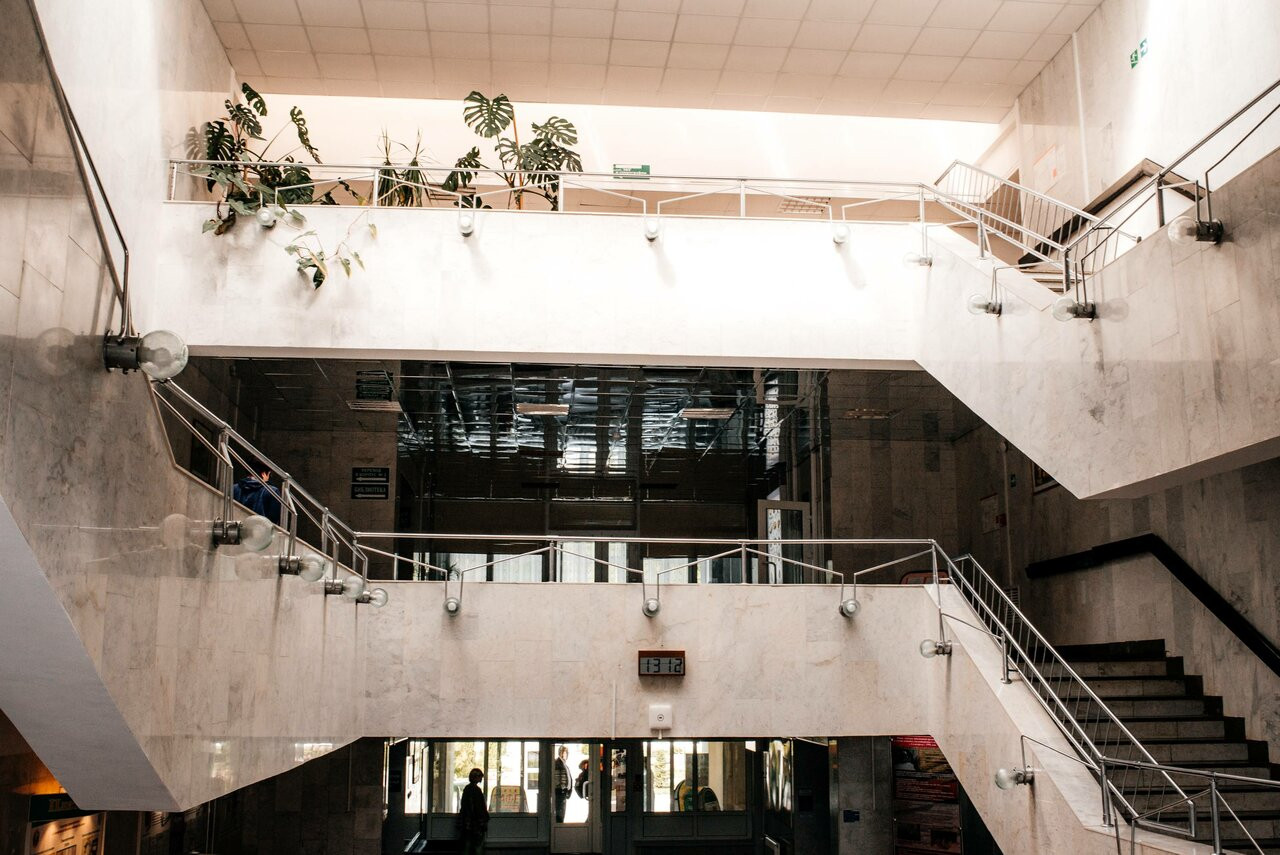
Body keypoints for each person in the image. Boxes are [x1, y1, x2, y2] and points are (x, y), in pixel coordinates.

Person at [458, 767, 488, 854]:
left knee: (467, 844)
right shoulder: (476, 790)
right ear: (476, 777)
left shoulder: (467, 789)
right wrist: (482, 820)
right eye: (480, 777)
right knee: (478, 845)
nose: (481, 778)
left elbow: (464, 806)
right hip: (475, 823)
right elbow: (478, 808)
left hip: (467, 823)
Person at [553, 746, 571, 823]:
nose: (566, 755)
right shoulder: (558, 763)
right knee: (560, 811)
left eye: (566, 753)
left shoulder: (563, 763)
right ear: (561, 753)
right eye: (565, 753)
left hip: (562, 792)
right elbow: (557, 779)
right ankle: (559, 825)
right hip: (560, 792)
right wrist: (563, 788)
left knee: (561, 811)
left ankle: (559, 824)